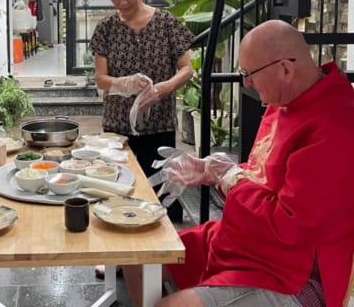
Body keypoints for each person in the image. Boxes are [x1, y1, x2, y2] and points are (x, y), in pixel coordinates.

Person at [126, 19, 354, 307]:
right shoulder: (286, 99)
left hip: (292, 272)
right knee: (140, 256)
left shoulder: (335, 126)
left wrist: (231, 177)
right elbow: (262, 176)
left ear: (285, 69)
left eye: (249, 74)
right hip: (248, 240)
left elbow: (289, 227)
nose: (246, 83)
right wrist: (211, 170)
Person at [89, 0, 194, 223]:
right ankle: (117, 262)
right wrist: (122, 83)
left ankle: (157, 262)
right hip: (117, 128)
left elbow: (187, 69)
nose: (121, 2)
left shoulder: (167, 24)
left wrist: (164, 87)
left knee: (158, 199)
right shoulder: (106, 28)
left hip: (159, 126)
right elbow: (101, 79)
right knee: (116, 196)